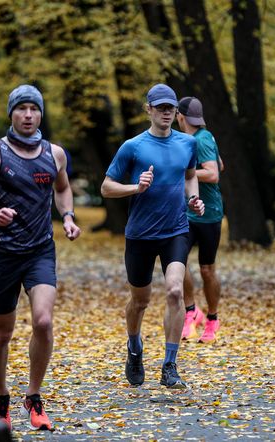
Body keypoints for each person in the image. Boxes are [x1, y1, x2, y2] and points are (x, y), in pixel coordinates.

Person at [0, 84, 81, 431]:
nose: (28, 115)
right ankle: (0, 397)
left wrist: (68, 217)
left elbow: (62, 188)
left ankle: (34, 397)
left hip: (41, 250)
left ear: (41, 114)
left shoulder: (54, 154)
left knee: (43, 321)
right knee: (2, 333)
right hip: (4, 254)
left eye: (34, 109)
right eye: (22, 109)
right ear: (11, 113)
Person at [101, 83, 205, 389]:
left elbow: (190, 176)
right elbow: (106, 187)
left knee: (175, 291)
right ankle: (134, 347)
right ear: (148, 110)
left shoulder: (187, 144)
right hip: (140, 235)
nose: (166, 113)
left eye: (170, 108)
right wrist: (136, 188)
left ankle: (169, 365)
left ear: (176, 111)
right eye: (160, 108)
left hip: (176, 230)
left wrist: (194, 199)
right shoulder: (132, 147)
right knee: (140, 301)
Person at [176, 96, 224, 343]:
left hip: (210, 214)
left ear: (179, 116)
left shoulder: (199, 139)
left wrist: (184, 172)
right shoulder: (202, 138)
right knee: (178, 263)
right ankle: (191, 312)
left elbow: (214, 174)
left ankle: (213, 319)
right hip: (187, 213)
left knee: (207, 269)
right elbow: (221, 165)